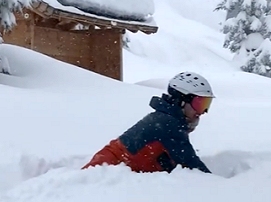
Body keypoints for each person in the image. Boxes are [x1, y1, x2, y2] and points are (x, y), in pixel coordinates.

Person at [82, 72, 214, 174]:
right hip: (106, 173)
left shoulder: (166, 119)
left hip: (107, 167)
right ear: (181, 100)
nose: (203, 111)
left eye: (206, 104)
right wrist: (220, 186)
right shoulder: (168, 124)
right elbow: (192, 166)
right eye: (200, 104)